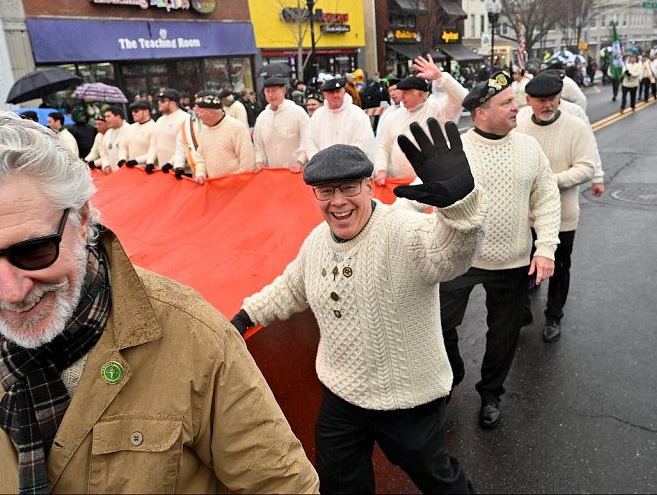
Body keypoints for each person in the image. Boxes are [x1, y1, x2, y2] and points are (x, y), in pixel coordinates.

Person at [0, 111, 319, 494]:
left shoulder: (193, 336)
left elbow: (279, 484)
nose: (11, 290)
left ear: (82, 220)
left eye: (33, 252)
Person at [231, 124, 487, 494]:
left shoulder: (403, 230)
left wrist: (460, 209)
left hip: (407, 399)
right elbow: (290, 288)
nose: (338, 201)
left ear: (369, 186)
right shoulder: (317, 240)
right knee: (339, 484)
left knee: (438, 480)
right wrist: (242, 319)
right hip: (342, 396)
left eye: (349, 187)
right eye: (326, 191)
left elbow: (451, 257)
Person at [432, 71, 561, 429]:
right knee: (438, 324)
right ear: (480, 112)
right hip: (460, 259)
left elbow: (547, 198)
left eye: (513, 100)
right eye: (506, 102)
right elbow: (422, 194)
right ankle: (451, 372)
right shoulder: (455, 148)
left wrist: (546, 248)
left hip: (513, 260)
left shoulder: (528, 148)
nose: (516, 106)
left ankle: (491, 393)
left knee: (504, 333)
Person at [514, 72, 596, 342]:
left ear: (560, 97)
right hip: (526, 216)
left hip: (563, 215)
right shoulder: (521, 125)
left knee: (559, 267)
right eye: (541, 100)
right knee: (521, 266)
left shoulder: (576, 127)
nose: (547, 105)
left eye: (552, 99)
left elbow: (586, 167)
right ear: (529, 101)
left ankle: (553, 317)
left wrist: (551, 181)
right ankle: (523, 312)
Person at [374, 55, 467, 184]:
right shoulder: (393, 116)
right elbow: (383, 146)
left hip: (431, 182)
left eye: (406, 93)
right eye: (401, 92)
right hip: (398, 182)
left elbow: (462, 98)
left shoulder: (437, 111)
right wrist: (380, 170)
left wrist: (440, 77)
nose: (401, 97)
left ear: (420, 94)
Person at [300, 76, 376, 165]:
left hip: (352, 169)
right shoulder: (318, 115)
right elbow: (309, 141)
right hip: (323, 169)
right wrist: (318, 161)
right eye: (331, 92)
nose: (335, 95)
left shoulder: (357, 114)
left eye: (338, 92)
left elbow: (363, 143)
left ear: (344, 92)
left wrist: (342, 164)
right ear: (324, 95)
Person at [191, 91, 254, 183]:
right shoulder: (204, 131)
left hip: (236, 186)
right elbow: (200, 156)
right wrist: (200, 173)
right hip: (214, 186)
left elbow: (247, 162)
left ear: (211, 113)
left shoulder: (237, 128)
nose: (198, 116)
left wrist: (240, 183)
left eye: (201, 112)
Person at [252, 76, 310, 173]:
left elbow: (309, 139)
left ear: (283, 91)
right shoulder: (262, 117)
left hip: (296, 172)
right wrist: (259, 161)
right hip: (271, 174)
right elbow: (258, 145)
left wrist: (300, 161)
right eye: (267, 91)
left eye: (274, 91)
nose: (270, 95)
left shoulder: (298, 112)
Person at [152, 89, 195, 177]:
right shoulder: (159, 120)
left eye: (163, 101)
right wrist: (150, 161)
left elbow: (186, 146)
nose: (159, 103)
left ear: (173, 103)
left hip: (182, 172)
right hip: (163, 170)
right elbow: (154, 144)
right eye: (159, 101)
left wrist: (171, 163)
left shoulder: (185, 118)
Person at [118, 100, 156, 171]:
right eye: (132, 111)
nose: (133, 114)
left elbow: (154, 151)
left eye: (136, 111)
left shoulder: (154, 127)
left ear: (146, 111)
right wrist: (122, 158)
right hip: (132, 170)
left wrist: (136, 161)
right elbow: (123, 147)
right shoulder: (130, 128)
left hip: (148, 170)